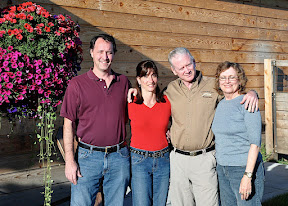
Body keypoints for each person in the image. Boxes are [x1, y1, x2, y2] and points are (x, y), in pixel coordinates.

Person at [128, 47, 259, 206]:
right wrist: (135, 89)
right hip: (178, 161)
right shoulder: (170, 91)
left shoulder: (213, 86)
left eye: (188, 65)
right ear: (174, 70)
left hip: (204, 159)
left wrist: (252, 93)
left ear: (194, 63)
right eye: (181, 68)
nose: (186, 70)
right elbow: (151, 97)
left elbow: (233, 92)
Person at [60, 34, 130, 206]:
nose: (105, 57)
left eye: (109, 52)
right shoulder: (77, 84)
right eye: (100, 52)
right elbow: (68, 123)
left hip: (118, 156)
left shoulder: (123, 82)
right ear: (91, 53)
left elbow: (136, 115)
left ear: (114, 54)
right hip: (87, 157)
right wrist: (70, 161)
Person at [212, 61, 265, 206]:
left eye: (231, 77)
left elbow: (255, 144)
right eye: (223, 77)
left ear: (239, 80)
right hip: (223, 168)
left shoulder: (247, 103)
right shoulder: (221, 104)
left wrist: (247, 176)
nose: (227, 81)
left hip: (243, 168)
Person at [128, 60, 171, 206]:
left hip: (163, 159)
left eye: (153, 75)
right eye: (145, 76)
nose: (150, 80)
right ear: (138, 80)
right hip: (139, 160)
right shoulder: (130, 102)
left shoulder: (167, 102)